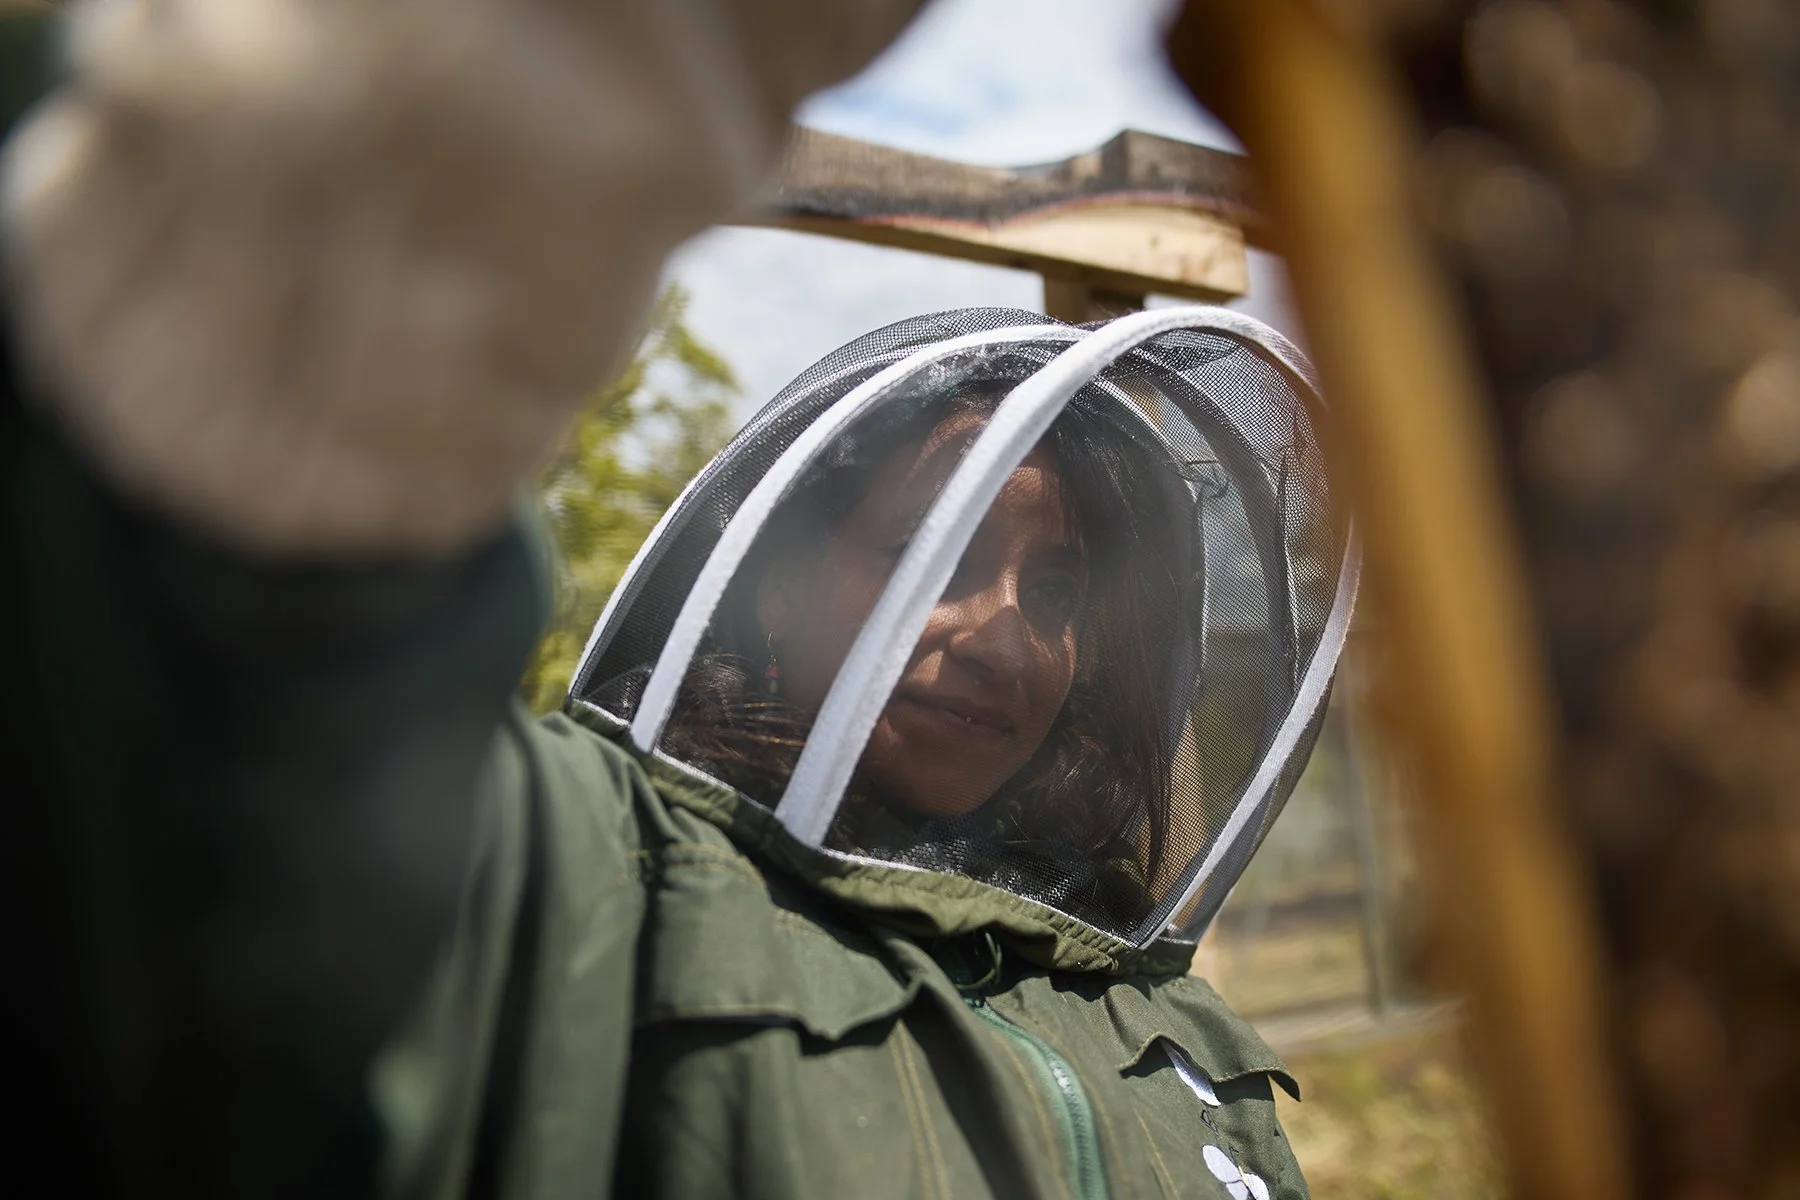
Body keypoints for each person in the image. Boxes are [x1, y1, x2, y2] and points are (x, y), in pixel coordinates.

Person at [1, 4, 1353, 1198]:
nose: (1002, 632)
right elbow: (225, 697)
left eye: (1058, 585)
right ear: (775, 584)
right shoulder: (600, 881)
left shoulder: (1176, 1032)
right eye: (928, 551)